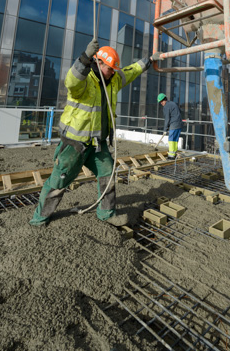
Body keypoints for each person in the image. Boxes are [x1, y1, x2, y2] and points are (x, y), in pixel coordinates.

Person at [30, 39, 155, 227]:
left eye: (114, 69)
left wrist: (149, 61)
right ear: (99, 63)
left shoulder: (112, 80)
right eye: (110, 68)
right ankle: (40, 218)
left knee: (108, 173)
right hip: (75, 143)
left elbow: (130, 71)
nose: (113, 72)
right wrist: (85, 57)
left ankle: (106, 213)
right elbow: (71, 80)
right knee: (59, 181)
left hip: (98, 143)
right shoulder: (84, 81)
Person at [157, 94, 183, 159]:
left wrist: (165, 129)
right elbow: (179, 112)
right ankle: (174, 153)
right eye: (160, 102)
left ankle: (171, 155)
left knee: (171, 140)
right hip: (179, 124)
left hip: (174, 125)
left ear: (165, 100)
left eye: (161, 101)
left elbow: (167, 118)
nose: (161, 103)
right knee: (175, 140)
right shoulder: (173, 103)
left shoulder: (166, 106)